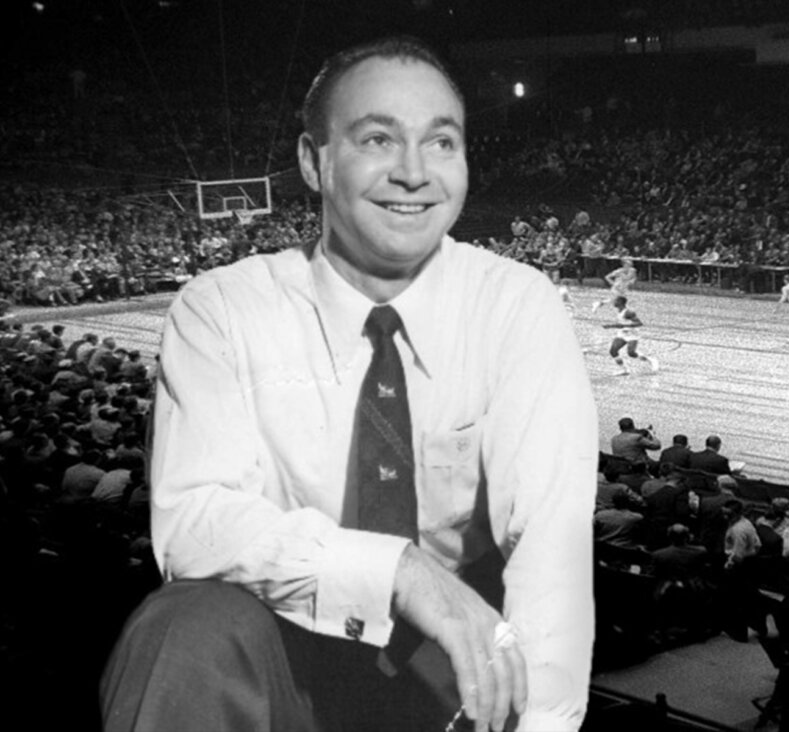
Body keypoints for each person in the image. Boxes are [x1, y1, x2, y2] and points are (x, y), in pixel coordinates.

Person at [100, 37, 598, 732]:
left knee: (509, 648)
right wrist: (398, 571)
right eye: (378, 139)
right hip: (280, 632)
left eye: (442, 143)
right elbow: (194, 524)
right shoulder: (222, 309)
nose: (415, 172)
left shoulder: (516, 304)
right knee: (183, 627)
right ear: (315, 160)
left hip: (454, 647)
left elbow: (553, 550)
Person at [602, 295, 659, 375]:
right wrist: (610, 326)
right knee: (613, 351)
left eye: (616, 301)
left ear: (621, 302)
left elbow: (639, 323)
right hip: (622, 333)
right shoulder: (619, 311)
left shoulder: (629, 312)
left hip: (632, 334)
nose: (614, 303)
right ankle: (624, 370)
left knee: (631, 353)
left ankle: (651, 360)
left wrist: (625, 326)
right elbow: (621, 324)